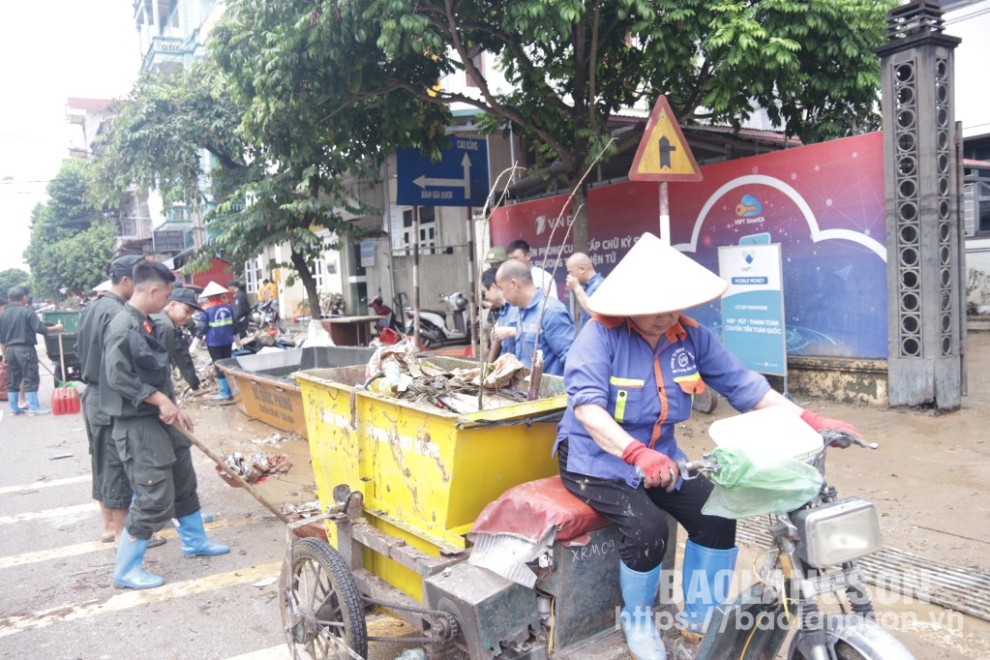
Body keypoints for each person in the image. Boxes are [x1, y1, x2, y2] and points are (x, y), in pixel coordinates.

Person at [553, 233, 861, 660]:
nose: (666, 317)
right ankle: (638, 617)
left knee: (717, 514)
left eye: (673, 305)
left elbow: (746, 386)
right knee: (647, 530)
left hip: (662, 457)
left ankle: (700, 618)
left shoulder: (690, 337)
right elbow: (588, 410)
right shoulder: (599, 336)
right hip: (596, 459)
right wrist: (636, 453)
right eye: (655, 308)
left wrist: (809, 419)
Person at [103, 260, 229, 590]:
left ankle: (195, 541)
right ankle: (126, 570)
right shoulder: (123, 327)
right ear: (154, 290)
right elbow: (118, 378)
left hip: (162, 419)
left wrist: (174, 405)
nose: (168, 301)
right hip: (138, 425)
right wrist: (160, 401)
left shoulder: (144, 324)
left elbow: (155, 373)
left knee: (183, 480)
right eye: (168, 294)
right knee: (153, 494)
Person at [77, 254, 162, 546]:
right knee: (116, 464)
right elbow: (122, 365)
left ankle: (108, 526)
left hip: (91, 394)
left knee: (100, 461)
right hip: (109, 395)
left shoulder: (92, 307)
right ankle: (124, 532)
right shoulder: (118, 313)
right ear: (126, 281)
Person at [494, 259, 574, 376]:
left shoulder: (551, 311)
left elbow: (571, 359)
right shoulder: (517, 312)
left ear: (514, 284)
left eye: (501, 289)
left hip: (550, 393)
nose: (502, 295)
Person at [0, 285, 63, 415]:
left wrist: (4, 355)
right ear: (24, 298)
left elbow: (2, 339)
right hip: (25, 349)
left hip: (10, 351)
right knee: (31, 377)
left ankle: (14, 409)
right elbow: (40, 329)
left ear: (9, 299)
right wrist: (56, 328)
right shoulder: (27, 311)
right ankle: (33, 408)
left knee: (13, 379)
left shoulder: (3, 315)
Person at [152, 288, 203, 392]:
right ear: (172, 305)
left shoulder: (156, 315)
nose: (189, 317)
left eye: (191, 314)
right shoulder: (167, 327)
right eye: (187, 311)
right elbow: (163, 363)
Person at [197, 281, 235, 400]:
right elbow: (235, 324)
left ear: (208, 296)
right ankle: (232, 390)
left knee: (218, 365)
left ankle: (224, 393)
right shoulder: (229, 307)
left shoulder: (206, 309)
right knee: (227, 365)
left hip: (214, 342)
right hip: (228, 340)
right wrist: (237, 339)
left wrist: (198, 339)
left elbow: (203, 326)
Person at [481, 266, 517, 358]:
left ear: (493, 287)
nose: (486, 297)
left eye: (485, 292)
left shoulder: (516, 308)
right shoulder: (502, 311)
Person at [565, 251, 605, 329]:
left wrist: (577, 288)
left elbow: (597, 313)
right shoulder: (586, 288)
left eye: (571, 272)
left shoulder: (600, 286)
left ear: (582, 269)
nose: (569, 276)